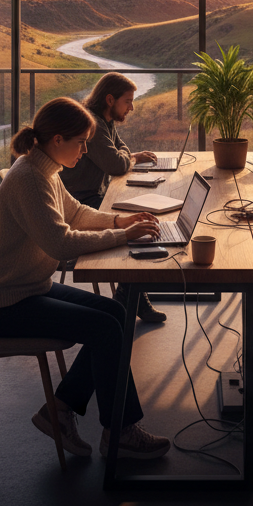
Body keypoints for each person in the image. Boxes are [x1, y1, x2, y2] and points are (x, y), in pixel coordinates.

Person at [0, 96, 170, 461]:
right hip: (1, 303)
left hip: (26, 289)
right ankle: (119, 430)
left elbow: (73, 212)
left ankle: (59, 411)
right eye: (81, 142)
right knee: (106, 329)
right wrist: (124, 237)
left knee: (115, 315)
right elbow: (60, 243)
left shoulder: (43, 169)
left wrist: (118, 221)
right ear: (57, 139)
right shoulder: (29, 177)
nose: (85, 150)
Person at [59, 72, 165, 324]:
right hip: (80, 202)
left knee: (143, 217)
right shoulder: (93, 124)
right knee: (137, 230)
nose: (132, 107)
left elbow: (121, 150)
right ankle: (127, 299)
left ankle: (133, 298)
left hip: (93, 196)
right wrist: (130, 156)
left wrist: (128, 155)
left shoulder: (106, 120)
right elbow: (117, 164)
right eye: (127, 101)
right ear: (110, 99)